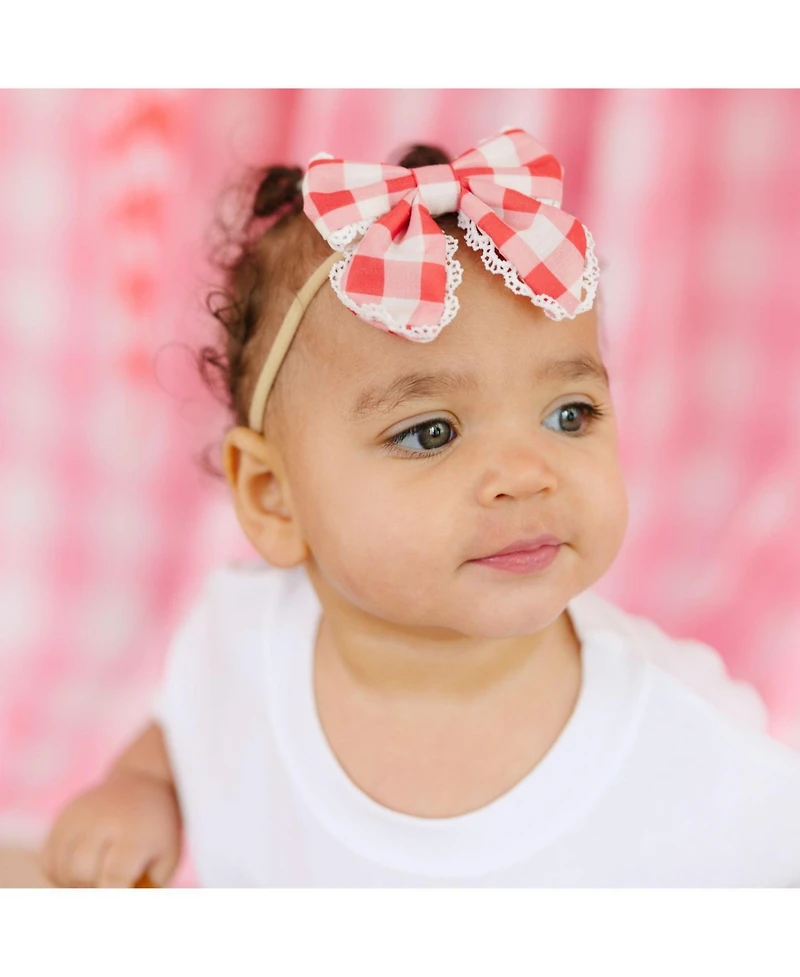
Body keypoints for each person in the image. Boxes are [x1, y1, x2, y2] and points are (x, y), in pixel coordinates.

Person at [40, 129, 800, 888]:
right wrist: (142, 789)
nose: (527, 476)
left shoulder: (688, 737)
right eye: (430, 432)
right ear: (274, 497)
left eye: (570, 414)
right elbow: (188, 722)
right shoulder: (241, 639)